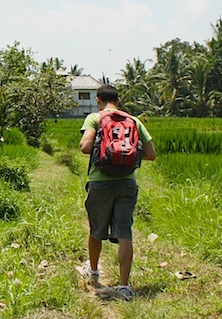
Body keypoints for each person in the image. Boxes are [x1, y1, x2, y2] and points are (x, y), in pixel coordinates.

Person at [78, 84, 157, 301]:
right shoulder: (134, 121)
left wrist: (101, 149)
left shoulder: (94, 118)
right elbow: (151, 154)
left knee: (96, 229)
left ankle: (93, 272)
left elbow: (84, 147)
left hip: (99, 182)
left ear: (98, 99)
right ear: (119, 101)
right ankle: (124, 286)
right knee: (124, 232)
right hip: (127, 184)